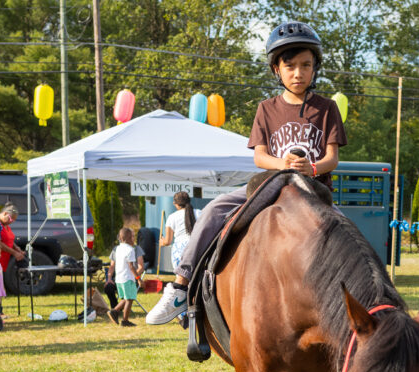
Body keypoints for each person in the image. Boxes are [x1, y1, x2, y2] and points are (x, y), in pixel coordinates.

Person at [145, 20, 346, 325]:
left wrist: (312, 167)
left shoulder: (327, 107)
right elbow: (260, 158)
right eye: (290, 66)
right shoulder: (267, 108)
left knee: (351, 237)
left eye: (306, 65)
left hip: (314, 188)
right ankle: (181, 287)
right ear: (276, 70)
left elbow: (333, 157)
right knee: (214, 209)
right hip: (272, 184)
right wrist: (284, 164)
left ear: (315, 68)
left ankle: (373, 302)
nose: (298, 73)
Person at [107, 227, 143, 326]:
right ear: (129, 238)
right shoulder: (130, 250)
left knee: (125, 298)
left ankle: (114, 312)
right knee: (130, 299)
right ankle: (124, 320)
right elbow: (131, 267)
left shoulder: (118, 249)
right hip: (128, 278)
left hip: (119, 279)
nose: (134, 239)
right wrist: (138, 279)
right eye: (132, 237)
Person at [159, 190, 196, 276]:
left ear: (175, 204)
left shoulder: (172, 217)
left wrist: (162, 242)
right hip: (197, 247)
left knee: (181, 279)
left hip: (180, 251)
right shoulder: (199, 213)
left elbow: (168, 241)